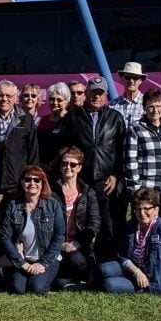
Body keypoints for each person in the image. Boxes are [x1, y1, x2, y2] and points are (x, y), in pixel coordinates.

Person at [60, 75, 126, 257]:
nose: (96, 97)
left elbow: (122, 150)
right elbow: (65, 148)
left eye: (100, 93)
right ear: (86, 94)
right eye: (93, 92)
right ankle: (81, 263)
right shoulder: (73, 118)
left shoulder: (115, 118)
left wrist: (116, 174)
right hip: (81, 180)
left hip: (105, 181)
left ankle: (107, 262)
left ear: (105, 95)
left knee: (107, 224)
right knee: (80, 222)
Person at [97, 187, 161, 295]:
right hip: (133, 269)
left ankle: (139, 287)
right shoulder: (131, 225)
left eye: (146, 208)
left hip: (151, 279)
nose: (142, 213)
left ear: (156, 210)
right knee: (103, 269)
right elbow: (120, 253)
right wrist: (136, 271)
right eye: (138, 209)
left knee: (109, 284)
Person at [0, 165, 66, 295]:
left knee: (36, 288)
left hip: (47, 258)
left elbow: (59, 235)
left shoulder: (53, 204)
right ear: (22, 182)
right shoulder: (13, 205)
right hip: (22, 259)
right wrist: (22, 263)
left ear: (42, 183)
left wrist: (43, 263)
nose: (32, 183)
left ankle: (46, 282)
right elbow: (4, 236)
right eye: (28, 179)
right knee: (18, 289)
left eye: (37, 180)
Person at [0, 79, 40, 208]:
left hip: (17, 186)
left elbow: (33, 153)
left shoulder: (26, 119)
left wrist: (30, 181)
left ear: (16, 98)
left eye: (8, 96)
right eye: (1, 95)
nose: (4, 99)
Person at [53, 146, 99, 289]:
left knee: (77, 261)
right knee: (59, 278)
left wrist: (79, 242)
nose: (68, 167)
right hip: (55, 243)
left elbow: (94, 222)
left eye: (73, 164)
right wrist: (57, 243)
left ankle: (80, 281)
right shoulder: (51, 191)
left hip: (78, 245)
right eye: (64, 163)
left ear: (79, 167)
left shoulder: (87, 192)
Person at [125, 89, 161, 195]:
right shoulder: (136, 128)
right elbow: (131, 160)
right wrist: (136, 189)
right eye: (151, 107)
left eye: (158, 106)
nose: (155, 110)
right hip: (147, 188)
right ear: (144, 108)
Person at [37, 82, 70, 168]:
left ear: (66, 101)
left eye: (59, 100)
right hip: (44, 167)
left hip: (63, 167)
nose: (55, 103)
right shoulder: (44, 120)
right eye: (52, 99)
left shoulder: (71, 120)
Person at [109, 61, 146, 129]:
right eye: (128, 77)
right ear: (122, 79)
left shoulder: (147, 103)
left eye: (135, 77)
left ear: (140, 81)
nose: (131, 81)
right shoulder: (112, 105)